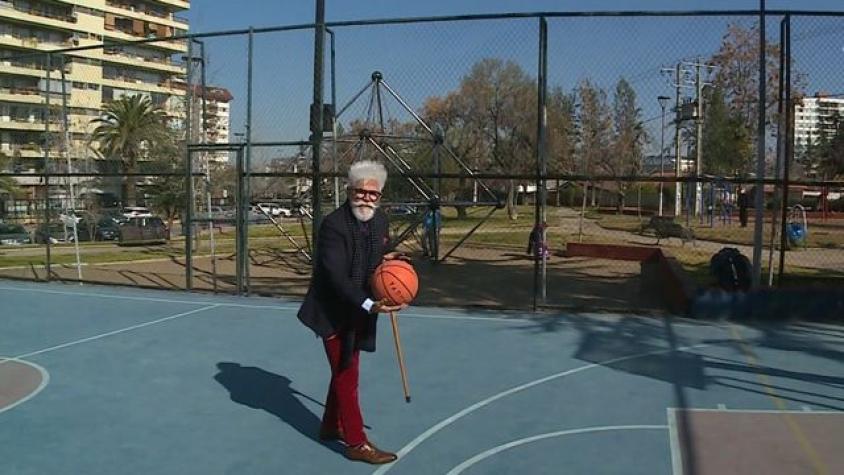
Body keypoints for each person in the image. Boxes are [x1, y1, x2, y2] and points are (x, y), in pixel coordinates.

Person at [297, 160, 407, 465]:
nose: (366, 198)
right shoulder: (333, 225)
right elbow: (335, 276)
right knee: (348, 374)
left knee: (344, 367)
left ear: (380, 196)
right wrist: (372, 304)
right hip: (331, 310)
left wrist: (392, 266)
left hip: (358, 309)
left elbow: (377, 255)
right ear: (349, 191)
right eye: (360, 192)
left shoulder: (380, 221)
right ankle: (357, 443)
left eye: (373, 194)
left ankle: (331, 426)